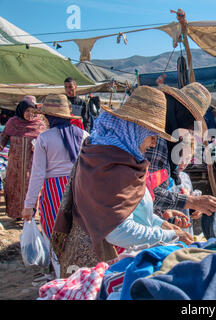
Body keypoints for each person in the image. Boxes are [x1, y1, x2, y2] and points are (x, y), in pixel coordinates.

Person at [51, 86, 194, 278]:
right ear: (135, 131)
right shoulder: (114, 167)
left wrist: (161, 224)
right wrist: (170, 236)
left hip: (90, 252)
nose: (153, 144)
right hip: (98, 262)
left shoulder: (105, 154)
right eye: (152, 136)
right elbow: (119, 230)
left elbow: (130, 212)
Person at [148, 82, 216, 219]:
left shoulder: (166, 134)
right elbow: (146, 192)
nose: (188, 130)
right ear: (182, 114)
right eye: (189, 124)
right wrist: (191, 202)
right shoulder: (157, 139)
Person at [21, 94, 88, 238]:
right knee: (77, 235)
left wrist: (29, 205)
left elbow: (37, 174)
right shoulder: (84, 135)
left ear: (48, 117)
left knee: (56, 235)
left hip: (55, 192)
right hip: (80, 189)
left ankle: (57, 261)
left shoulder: (44, 138)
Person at [0, 99, 47, 220]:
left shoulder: (40, 125)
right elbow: (3, 138)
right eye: (27, 111)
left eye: (32, 111)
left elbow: (47, 143)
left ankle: (30, 215)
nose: (30, 114)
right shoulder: (12, 123)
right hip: (14, 165)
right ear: (21, 111)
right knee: (14, 188)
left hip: (32, 165)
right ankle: (16, 215)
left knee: (31, 188)